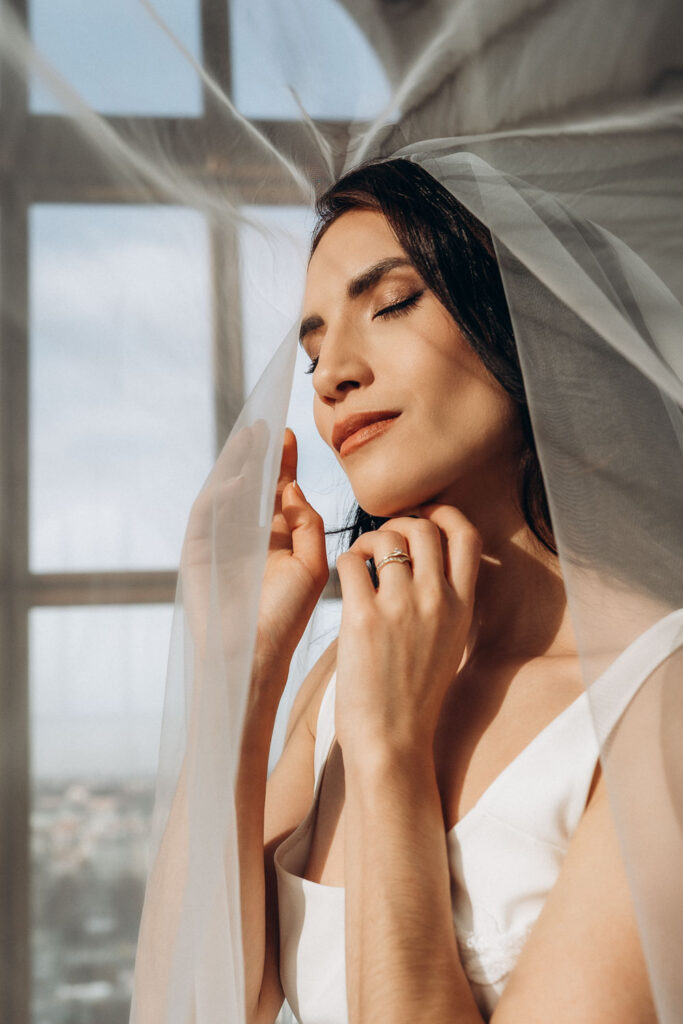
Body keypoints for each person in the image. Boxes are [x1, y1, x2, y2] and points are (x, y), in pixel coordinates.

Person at [229, 159, 659, 1024]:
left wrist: (390, 754)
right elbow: (203, 998)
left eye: (390, 303)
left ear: (529, 319)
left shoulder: (659, 706)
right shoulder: (341, 678)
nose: (328, 376)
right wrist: (250, 660)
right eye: (312, 348)